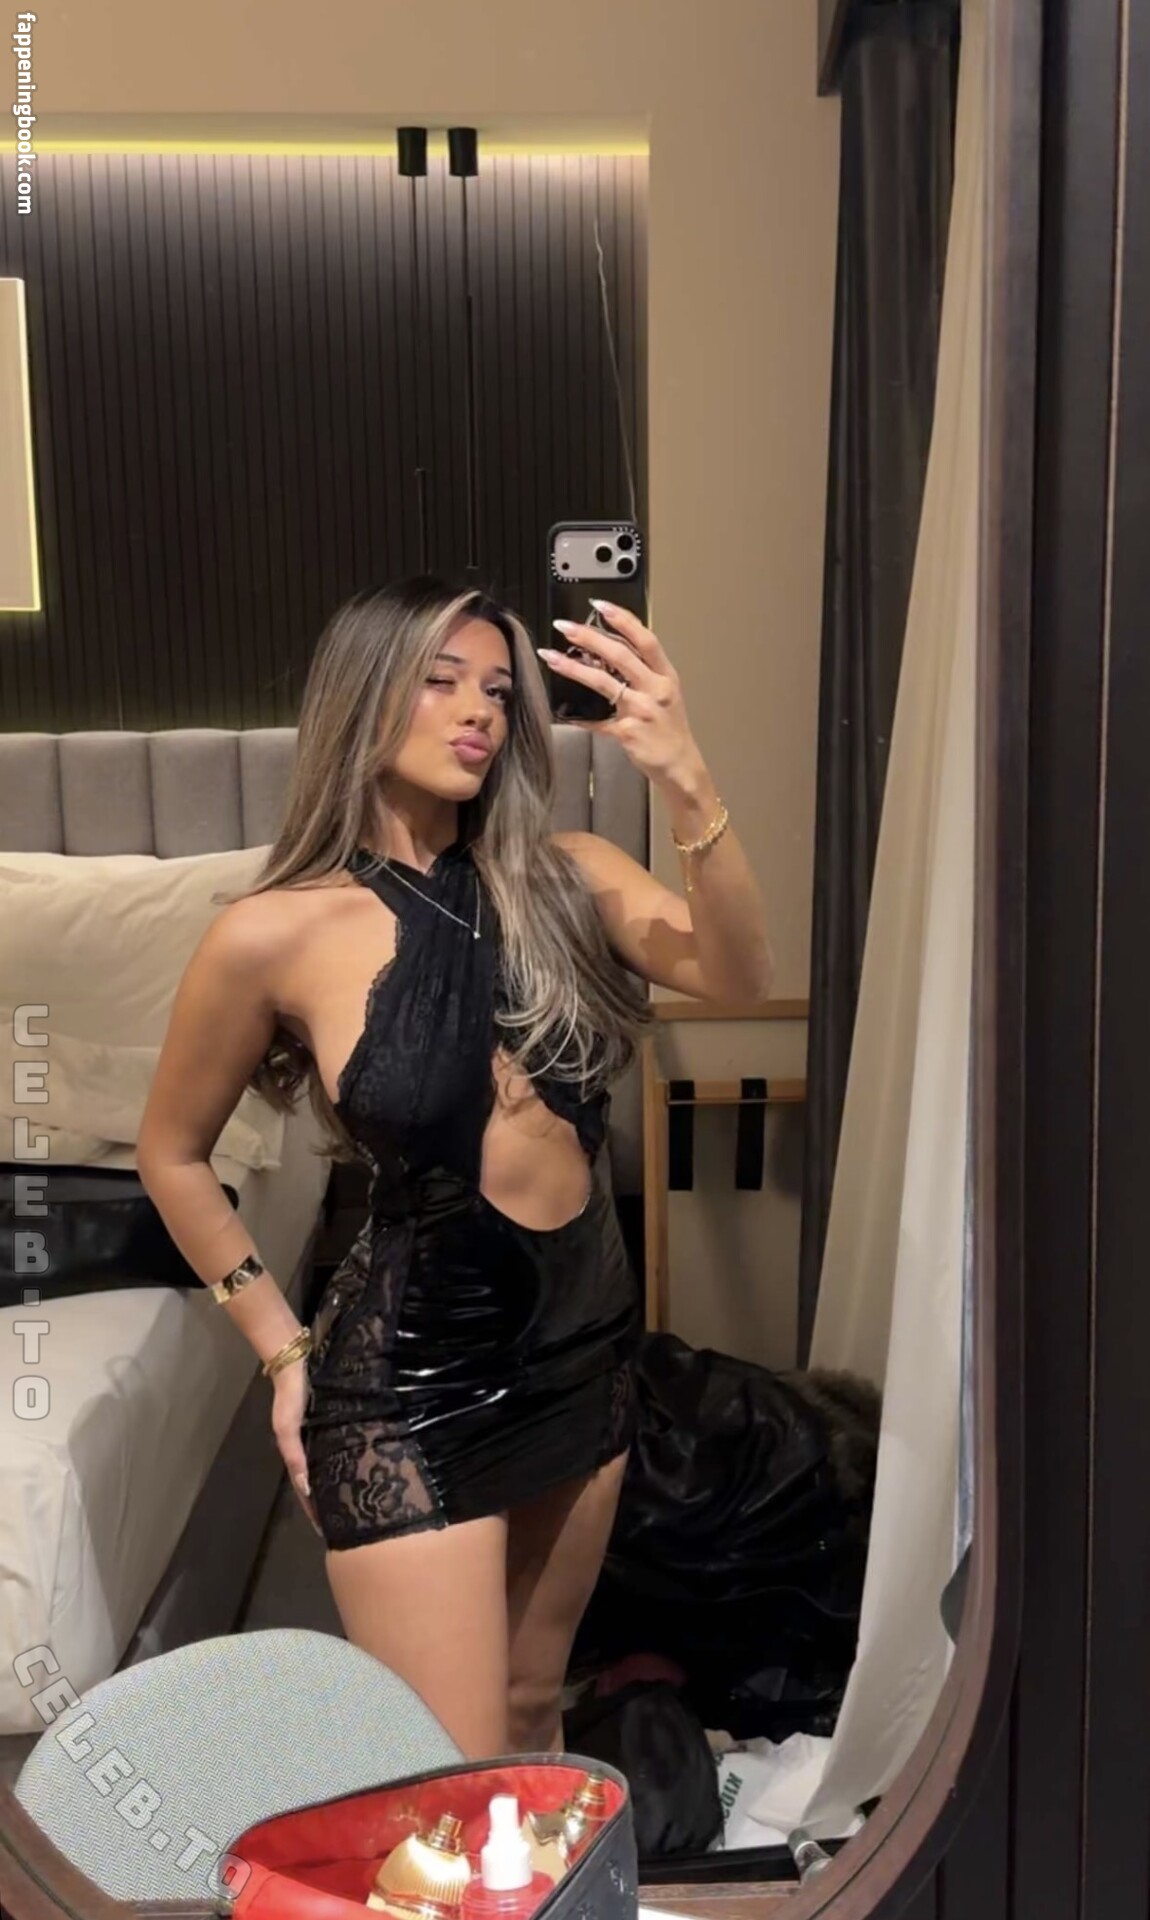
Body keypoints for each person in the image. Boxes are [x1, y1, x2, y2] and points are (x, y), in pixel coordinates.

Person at [137, 576, 773, 1758]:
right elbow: (169, 1154)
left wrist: (685, 777)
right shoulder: (273, 931)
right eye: (440, 682)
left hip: (584, 1355)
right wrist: (279, 1350)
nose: (478, 710)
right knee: (453, 1767)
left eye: (495, 690)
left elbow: (735, 975)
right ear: (363, 695)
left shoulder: (566, 875)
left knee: (533, 1712)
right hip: (408, 1387)